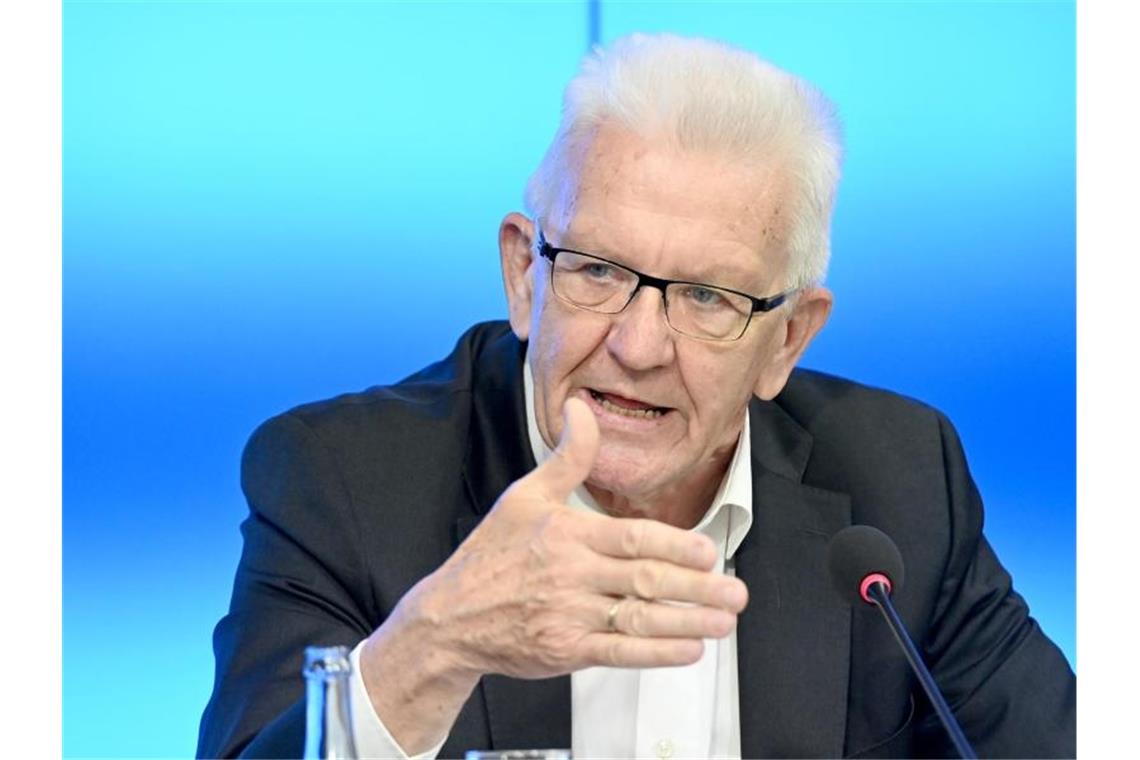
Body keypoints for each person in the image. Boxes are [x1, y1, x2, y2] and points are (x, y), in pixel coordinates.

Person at [198, 33, 1075, 759]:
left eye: (708, 297)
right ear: (521, 274)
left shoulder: (903, 485)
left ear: (790, 340)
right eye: (598, 270)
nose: (638, 345)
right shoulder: (341, 483)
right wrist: (436, 644)